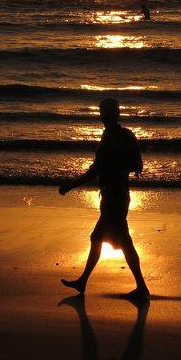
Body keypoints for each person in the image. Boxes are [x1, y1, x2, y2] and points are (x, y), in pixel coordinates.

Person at [58, 97, 149, 297]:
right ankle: (84, 282)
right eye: (101, 111)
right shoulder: (114, 135)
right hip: (113, 196)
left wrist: (70, 186)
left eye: (105, 111)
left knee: (109, 239)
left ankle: (141, 287)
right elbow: (129, 166)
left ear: (113, 114)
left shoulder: (118, 137)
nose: (102, 115)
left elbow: (134, 166)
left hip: (116, 197)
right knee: (111, 239)